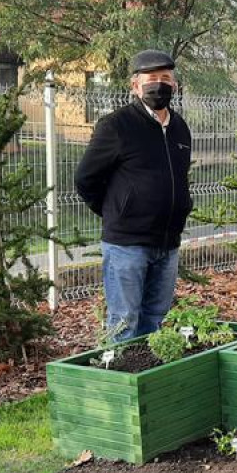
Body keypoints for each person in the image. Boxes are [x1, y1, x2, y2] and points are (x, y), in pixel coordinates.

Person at [74, 50, 193, 341]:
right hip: (127, 245)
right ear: (135, 86)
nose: (159, 84)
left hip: (167, 243)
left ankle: (147, 379)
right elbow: (85, 179)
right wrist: (117, 211)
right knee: (124, 321)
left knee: (155, 318)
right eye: (151, 79)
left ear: (175, 85)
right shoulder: (116, 126)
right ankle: (120, 380)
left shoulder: (179, 128)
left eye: (166, 78)